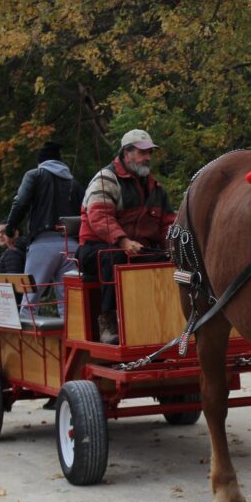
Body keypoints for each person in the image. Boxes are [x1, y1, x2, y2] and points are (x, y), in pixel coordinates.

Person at [78, 129, 175, 344]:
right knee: (116, 257)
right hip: (97, 248)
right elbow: (99, 216)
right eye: (142, 152)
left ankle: (166, 320)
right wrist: (123, 240)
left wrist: (174, 248)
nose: (148, 157)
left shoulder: (157, 188)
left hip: (138, 249)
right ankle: (108, 321)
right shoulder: (105, 179)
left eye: (150, 152)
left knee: (171, 261)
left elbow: (168, 224)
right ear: (126, 153)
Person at [4, 141, 84, 315]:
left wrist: (10, 229)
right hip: (71, 246)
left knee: (30, 302)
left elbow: (20, 202)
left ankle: (26, 342)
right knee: (70, 306)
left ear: (41, 161)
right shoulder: (74, 183)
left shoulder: (35, 175)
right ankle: (69, 342)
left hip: (43, 245)